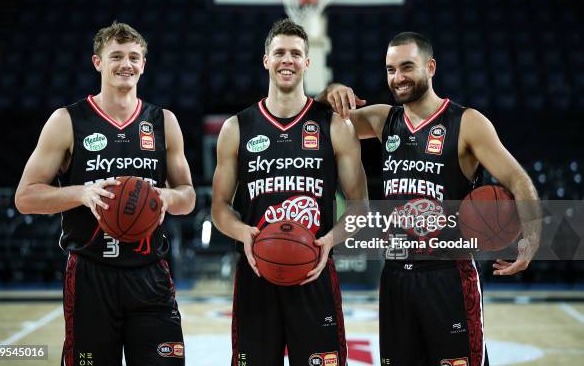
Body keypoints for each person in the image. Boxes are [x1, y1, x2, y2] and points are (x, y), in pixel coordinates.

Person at [318, 32, 541, 366]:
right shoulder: (384, 120)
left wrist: (532, 240)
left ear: (430, 67)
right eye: (391, 69)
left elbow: (518, 180)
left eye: (407, 67)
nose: (398, 77)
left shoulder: (467, 122)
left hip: (448, 274)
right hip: (394, 275)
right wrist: (329, 91)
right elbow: (320, 122)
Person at [14, 22, 195, 366]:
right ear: (98, 62)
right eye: (116, 56)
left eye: (133, 57)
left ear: (143, 64)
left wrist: (165, 198)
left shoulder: (163, 121)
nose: (126, 64)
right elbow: (25, 196)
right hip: (90, 273)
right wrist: (83, 194)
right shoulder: (67, 120)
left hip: (149, 272)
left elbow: (187, 196)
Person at [211, 18, 368, 366]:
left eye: (296, 53)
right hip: (256, 275)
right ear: (266, 59)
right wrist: (244, 234)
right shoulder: (236, 128)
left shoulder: (334, 126)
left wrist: (330, 240)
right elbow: (219, 208)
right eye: (279, 52)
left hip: (314, 272)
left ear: (307, 63)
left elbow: (360, 207)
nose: (287, 59)